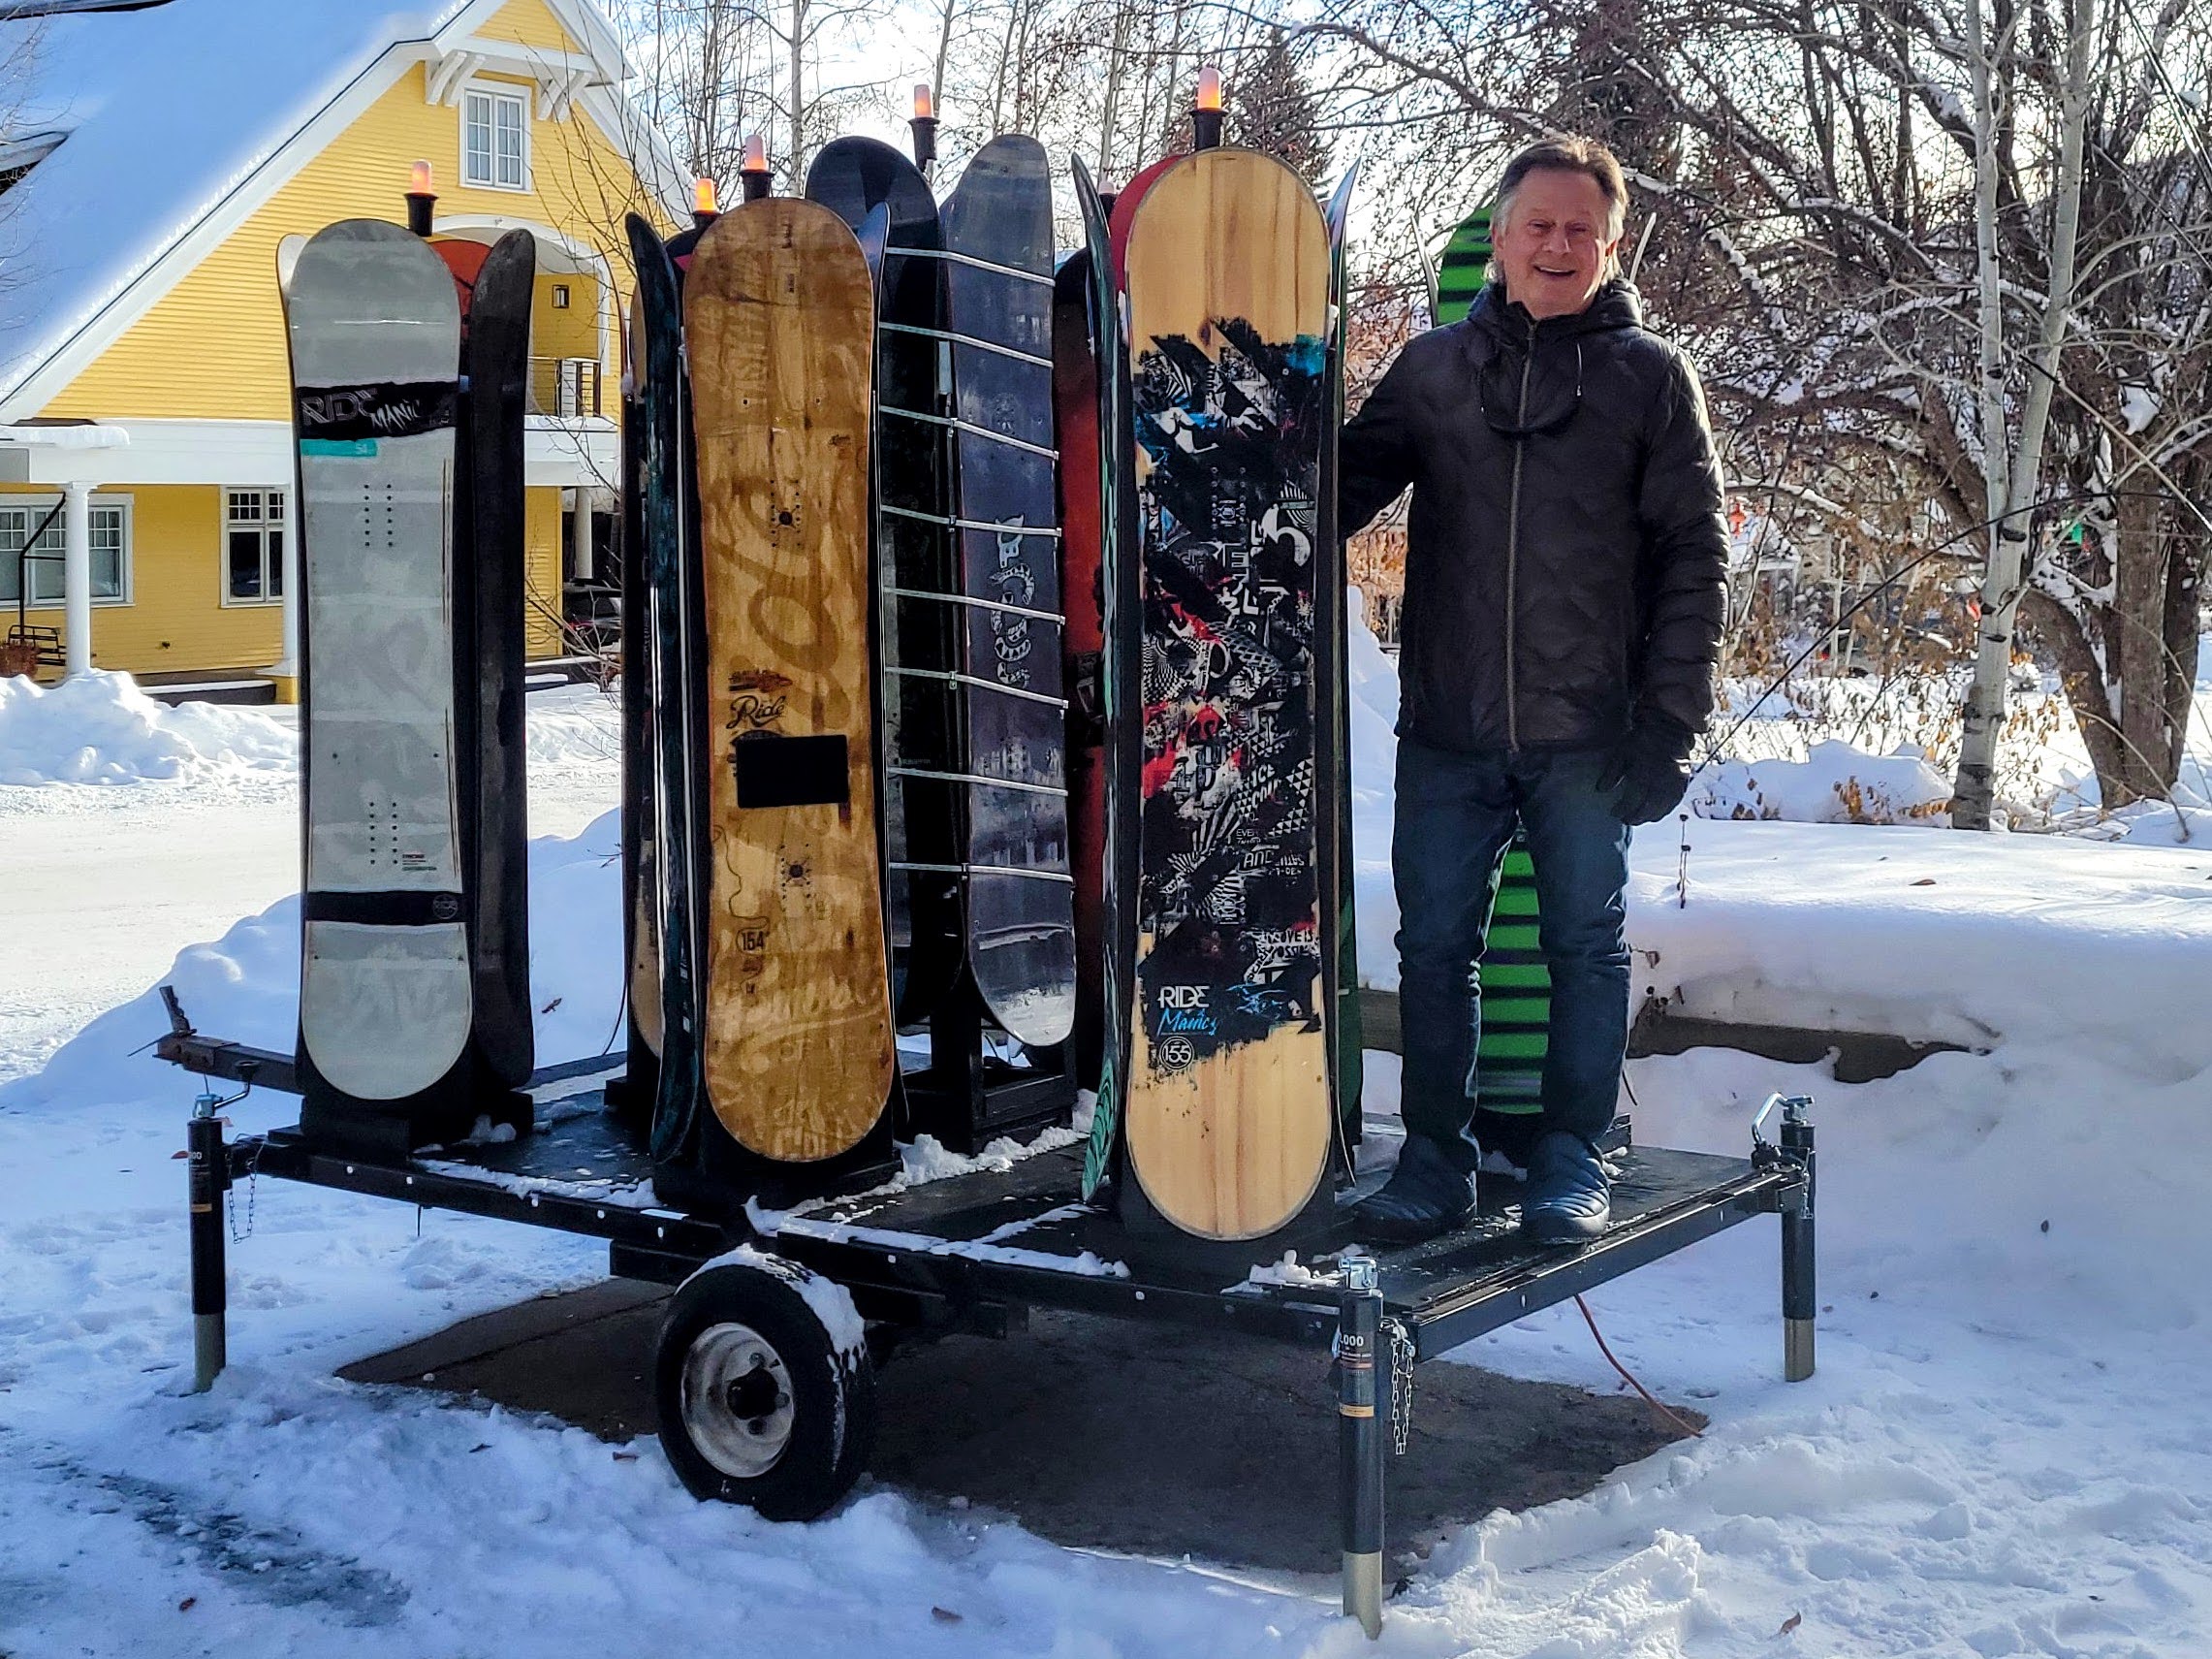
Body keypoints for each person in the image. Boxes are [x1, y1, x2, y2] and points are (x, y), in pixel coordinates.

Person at [1339, 134, 1728, 1246]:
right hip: (1449, 731)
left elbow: (1694, 559)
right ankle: (1430, 1158)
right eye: (1537, 225)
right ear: (1498, 238)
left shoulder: (1650, 381)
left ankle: (1571, 1154)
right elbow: (1331, 495)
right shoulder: (1429, 373)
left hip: (1587, 736)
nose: (1556, 245)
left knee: (1582, 946)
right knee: (1432, 948)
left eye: (1579, 229)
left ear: (1608, 247)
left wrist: (1669, 724)